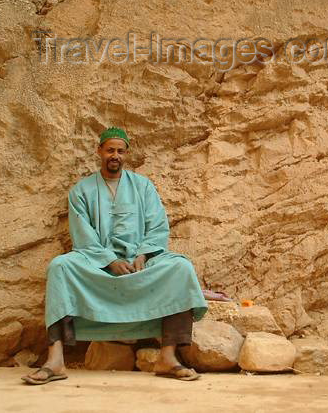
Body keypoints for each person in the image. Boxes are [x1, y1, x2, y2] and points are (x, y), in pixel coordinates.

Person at [22, 127, 208, 384]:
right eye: (110, 150)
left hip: (141, 262)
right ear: (99, 151)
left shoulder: (143, 186)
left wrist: (143, 256)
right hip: (98, 263)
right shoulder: (82, 190)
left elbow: (157, 226)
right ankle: (55, 360)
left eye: (120, 151)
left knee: (181, 268)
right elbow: (82, 234)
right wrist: (110, 260)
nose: (115, 155)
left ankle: (167, 357)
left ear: (126, 154)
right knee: (60, 266)